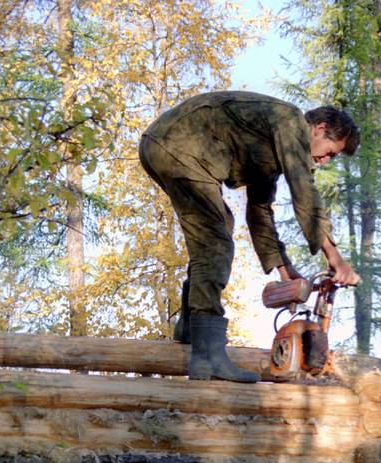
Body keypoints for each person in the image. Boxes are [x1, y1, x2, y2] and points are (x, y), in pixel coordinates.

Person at [138, 91, 361, 383]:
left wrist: (284, 270)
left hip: (164, 144)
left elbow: (259, 214)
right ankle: (207, 356)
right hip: (178, 144)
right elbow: (304, 191)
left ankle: (192, 326)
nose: (325, 161)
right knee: (215, 241)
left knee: (216, 227)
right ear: (319, 129)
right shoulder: (290, 121)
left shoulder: (271, 149)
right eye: (330, 152)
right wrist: (335, 258)